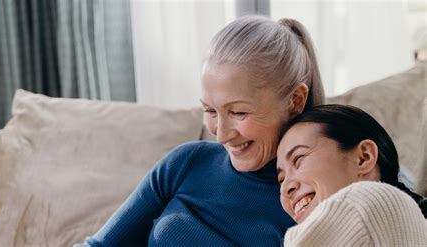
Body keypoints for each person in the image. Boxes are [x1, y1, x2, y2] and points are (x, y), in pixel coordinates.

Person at [75, 15, 325, 246]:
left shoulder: (311, 201)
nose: (221, 135)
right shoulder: (186, 163)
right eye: (210, 111)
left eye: (239, 113)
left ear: (295, 101)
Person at [276, 104, 427, 246]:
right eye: (281, 180)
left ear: (363, 158)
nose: (285, 189)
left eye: (299, 158)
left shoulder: (380, 201)